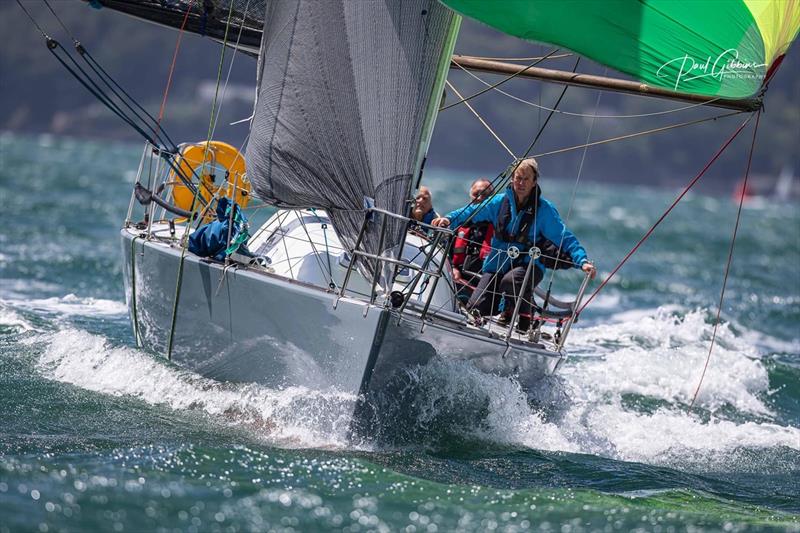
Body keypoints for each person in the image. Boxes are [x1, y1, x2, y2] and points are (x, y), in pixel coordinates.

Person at [432, 158, 596, 329]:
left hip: (529, 267)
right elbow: (472, 211)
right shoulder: (498, 202)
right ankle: (503, 311)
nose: (521, 183)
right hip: (497, 265)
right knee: (476, 308)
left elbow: (564, 237)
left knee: (510, 281)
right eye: (518, 178)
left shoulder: (544, 209)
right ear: (512, 179)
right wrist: (449, 219)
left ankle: (525, 320)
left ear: (534, 182)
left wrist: (582, 261)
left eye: (526, 179)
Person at [451, 178, 495, 300]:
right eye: (476, 194)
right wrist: (452, 268)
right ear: (470, 196)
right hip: (456, 280)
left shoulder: (500, 228)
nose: (480, 198)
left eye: (484, 195)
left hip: (485, 285)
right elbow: (444, 252)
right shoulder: (459, 224)